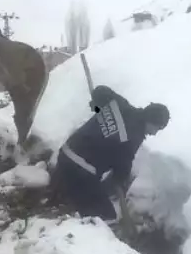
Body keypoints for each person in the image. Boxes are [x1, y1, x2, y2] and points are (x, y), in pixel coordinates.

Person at [52, 85, 169, 223]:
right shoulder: (133, 138)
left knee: (84, 193)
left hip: (66, 153)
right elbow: (122, 169)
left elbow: (99, 91)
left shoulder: (120, 105)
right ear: (151, 121)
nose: (155, 133)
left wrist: (98, 107)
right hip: (80, 171)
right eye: (157, 128)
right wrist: (120, 182)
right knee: (106, 216)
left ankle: (66, 196)